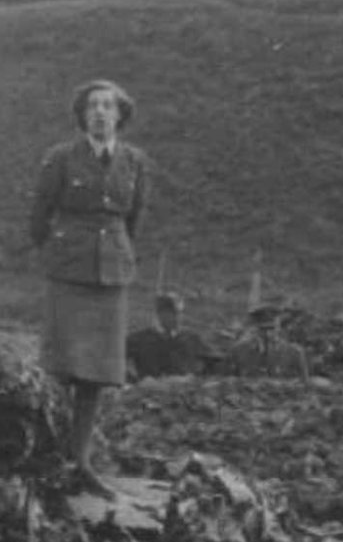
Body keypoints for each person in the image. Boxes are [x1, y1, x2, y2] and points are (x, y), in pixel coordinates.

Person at [29, 78, 150, 496]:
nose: (100, 112)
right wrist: (63, 250)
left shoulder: (134, 162)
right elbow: (39, 216)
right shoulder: (60, 158)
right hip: (69, 272)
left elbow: (133, 218)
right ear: (82, 116)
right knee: (61, 368)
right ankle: (47, 456)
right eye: (92, 106)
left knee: (96, 374)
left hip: (111, 273)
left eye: (108, 106)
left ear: (120, 115)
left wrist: (117, 252)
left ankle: (79, 460)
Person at [126, 292, 214, 379]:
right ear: (160, 314)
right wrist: (135, 382)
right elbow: (115, 362)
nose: (178, 318)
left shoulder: (191, 338)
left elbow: (213, 362)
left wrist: (197, 379)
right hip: (149, 390)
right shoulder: (139, 339)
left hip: (184, 390)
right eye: (173, 313)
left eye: (180, 313)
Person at [229, 304, 312, 379]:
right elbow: (227, 383)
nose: (267, 334)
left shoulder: (294, 352)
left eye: (271, 329)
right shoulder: (238, 351)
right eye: (262, 329)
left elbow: (304, 385)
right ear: (254, 329)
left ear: (279, 329)